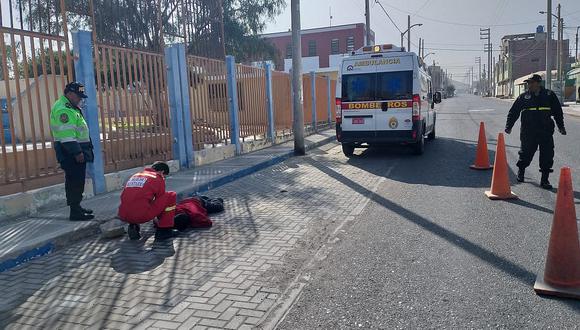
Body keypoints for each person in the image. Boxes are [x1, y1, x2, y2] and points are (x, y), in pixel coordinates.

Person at [505, 74, 566, 189]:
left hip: (545, 131)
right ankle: (521, 171)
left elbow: (558, 112)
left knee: (547, 155)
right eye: (528, 83)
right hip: (528, 131)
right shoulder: (524, 97)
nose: (529, 85)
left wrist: (561, 126)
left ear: (538, 83)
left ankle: (545, 180)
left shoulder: (549, 95)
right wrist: (509, 126)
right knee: (526, 154)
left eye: (532, 83)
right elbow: (514, 112)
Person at [50, 82, 95, 221]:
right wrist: (77, 153)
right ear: (69, 94)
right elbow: (66, 135)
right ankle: (75, 212)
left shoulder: (71, 107)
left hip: (76, 151)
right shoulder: (64, 109)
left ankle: (77, 206)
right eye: (78, 96)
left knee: (77, 181)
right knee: (74, 182)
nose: (80, 99)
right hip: (71, 153)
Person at [118, 161, 179, 240]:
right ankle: (164, 231)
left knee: (136, 200)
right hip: (141, 216)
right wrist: (159, 220)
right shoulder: (158, 177)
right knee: (170, 195)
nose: (164, 179)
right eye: (165, 176)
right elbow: (161, 202)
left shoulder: (136, 175)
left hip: (123, 215)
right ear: (162, 172)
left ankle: (133, 226)